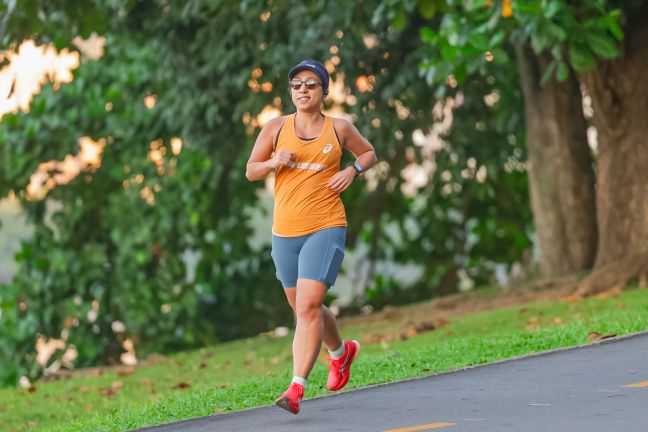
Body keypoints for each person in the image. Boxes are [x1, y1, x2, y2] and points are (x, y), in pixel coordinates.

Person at [245, 59, 378, 414]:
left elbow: (369, 153)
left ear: (324, 91)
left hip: (326, 226)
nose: (302, 90)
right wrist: (274, 163)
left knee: (306, 307)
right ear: (291, 92)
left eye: (311, 84)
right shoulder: (275, 128)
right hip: (284, 233)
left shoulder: (339, 129)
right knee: (307, 307)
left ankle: (296, 387)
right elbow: (251, 170)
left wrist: (353, 170)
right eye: (296, 85)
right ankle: (341, 352)